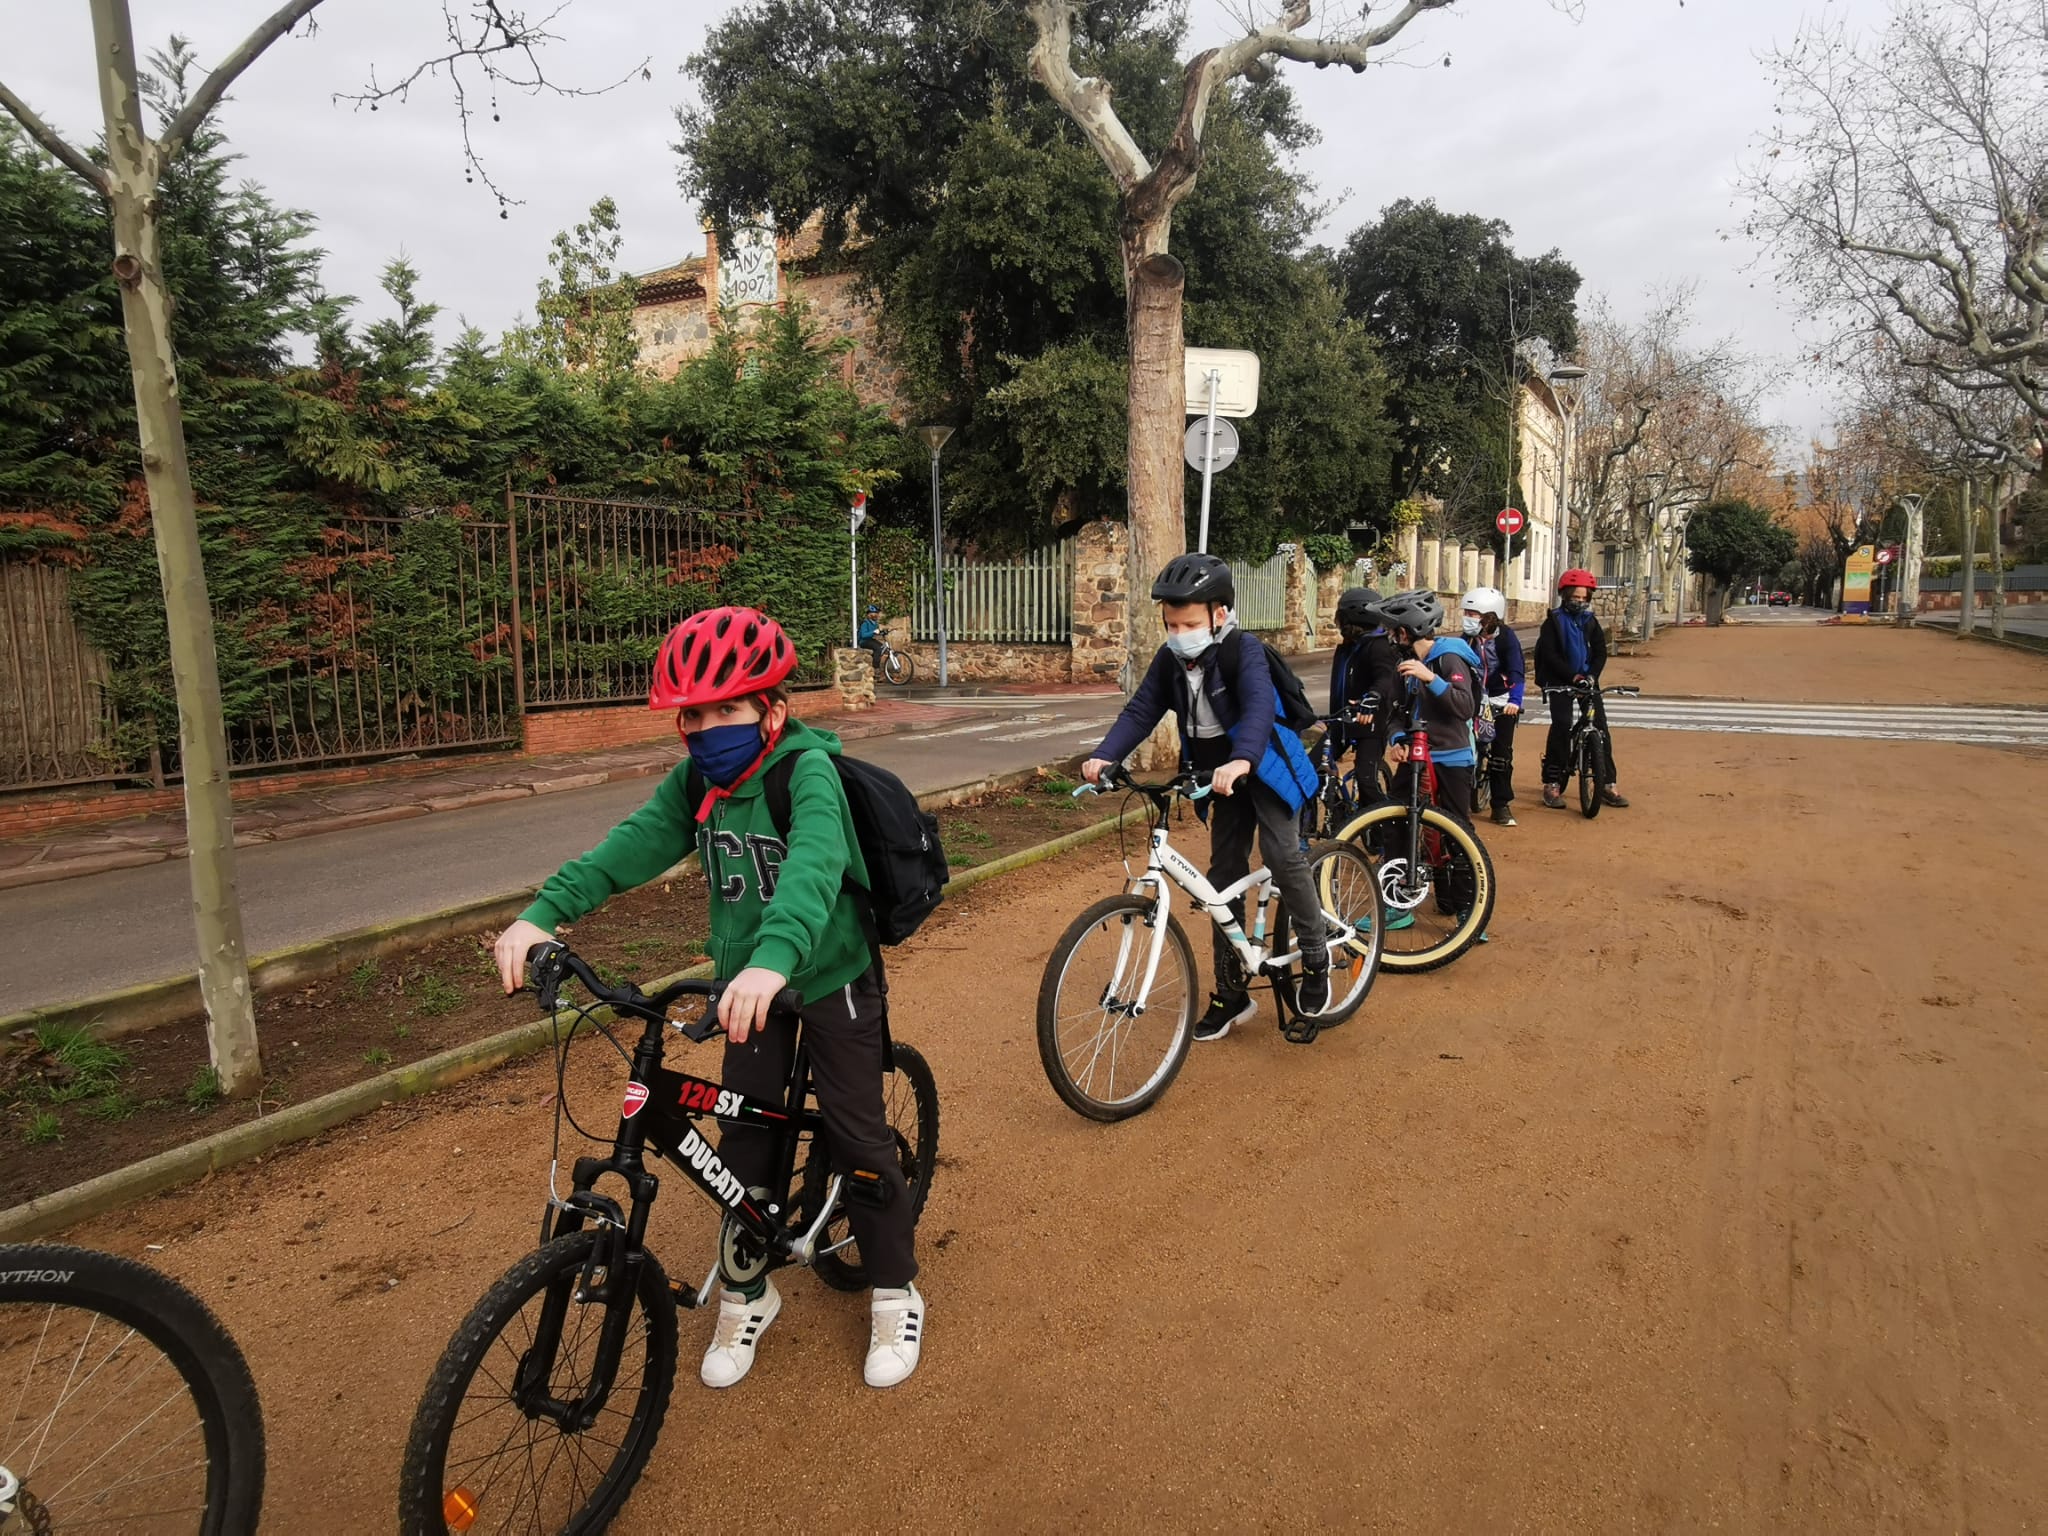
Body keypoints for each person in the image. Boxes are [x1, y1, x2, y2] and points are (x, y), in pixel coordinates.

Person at [491, 606, 925, 1392]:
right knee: (744, 1144)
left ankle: (895, 1288)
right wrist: (541, 912)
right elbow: (629, 846)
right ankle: (749, 1290)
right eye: (695, 716)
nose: (709, 728)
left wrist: (774, 959)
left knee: (861, 1137)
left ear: (774, 710)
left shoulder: (806, 770)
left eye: (729, 710)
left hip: (826, 974)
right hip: (745, 990)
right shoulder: (699, 778)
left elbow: (814, 865)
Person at [1081, 553, 1331, 1040]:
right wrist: (1105, 755)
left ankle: (1317, 957)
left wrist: (1242, 760)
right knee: (1221, 877)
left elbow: (1259, 707)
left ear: (1219, 615)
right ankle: (1232, 992)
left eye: (1189, 623)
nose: (1179, 634)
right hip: (1217, 773)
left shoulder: (1244, 650)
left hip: (1261, 762)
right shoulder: (1170, 660)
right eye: (1171, 624)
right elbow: (1141, 710)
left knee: (1283, 855)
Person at [1377, 589, 1481, 824]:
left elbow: (1465, 707)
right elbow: (1393, 713)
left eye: (1392, 632)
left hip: (1451, 757)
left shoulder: (1450, 658)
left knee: (1456, 830)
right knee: (1395, 821)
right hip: (1416, 755)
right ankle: (1399, 862)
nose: (1390, 638)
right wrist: (1398, 740)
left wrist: (1431, 680)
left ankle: (1465, 862)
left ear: (1404, 632)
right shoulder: (1404, 665)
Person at [1535, 569, 1629, 809]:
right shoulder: (1553, 622)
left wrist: (1590, 676)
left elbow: (1600, 652)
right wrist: (1572, 677)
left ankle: (1608, 783)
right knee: (1561, 725)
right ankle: (1552, 782)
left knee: (1600, 727)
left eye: (1583, 597)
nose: (1579, 601)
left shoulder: (1590, 622)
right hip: (1560, 681)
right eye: (1574, 597)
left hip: (1586, 681)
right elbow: (1550, 655)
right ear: (1564, 595)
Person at [1460, 585, 1524, 827]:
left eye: (1472, 614)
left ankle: (1500, 804)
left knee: (1501, 754)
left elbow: (1517, 671)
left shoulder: (1506, 637)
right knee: (1465, 749)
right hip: (1475, 699)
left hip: (1501, 698)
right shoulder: (1467, 638)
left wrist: (1515, 701)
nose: (1467, 618)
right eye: (1466, 613)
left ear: (1489, 617)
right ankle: (1461, 800)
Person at [1330, 588, 1403, 801]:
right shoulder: (1346, 649)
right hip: (1342, 721)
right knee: (1311, 767)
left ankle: (1384, 832)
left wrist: (1372, 697)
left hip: (1370, 724)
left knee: (1366, 782)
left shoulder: (1378, 646)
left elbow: (1385, 677)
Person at [857, 603, 888, 669]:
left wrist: (882, 632)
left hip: (870, 640)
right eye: (874, 613)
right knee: (878, 648)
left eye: (877, 613)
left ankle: (874, 660)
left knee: (882, 647)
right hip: (863, 641)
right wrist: (873, 632)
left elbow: (876, 632)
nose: (876, 615)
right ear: (869, 614)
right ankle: (876, 668)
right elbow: (863, 635)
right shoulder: (865, 623)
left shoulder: (875, 624)